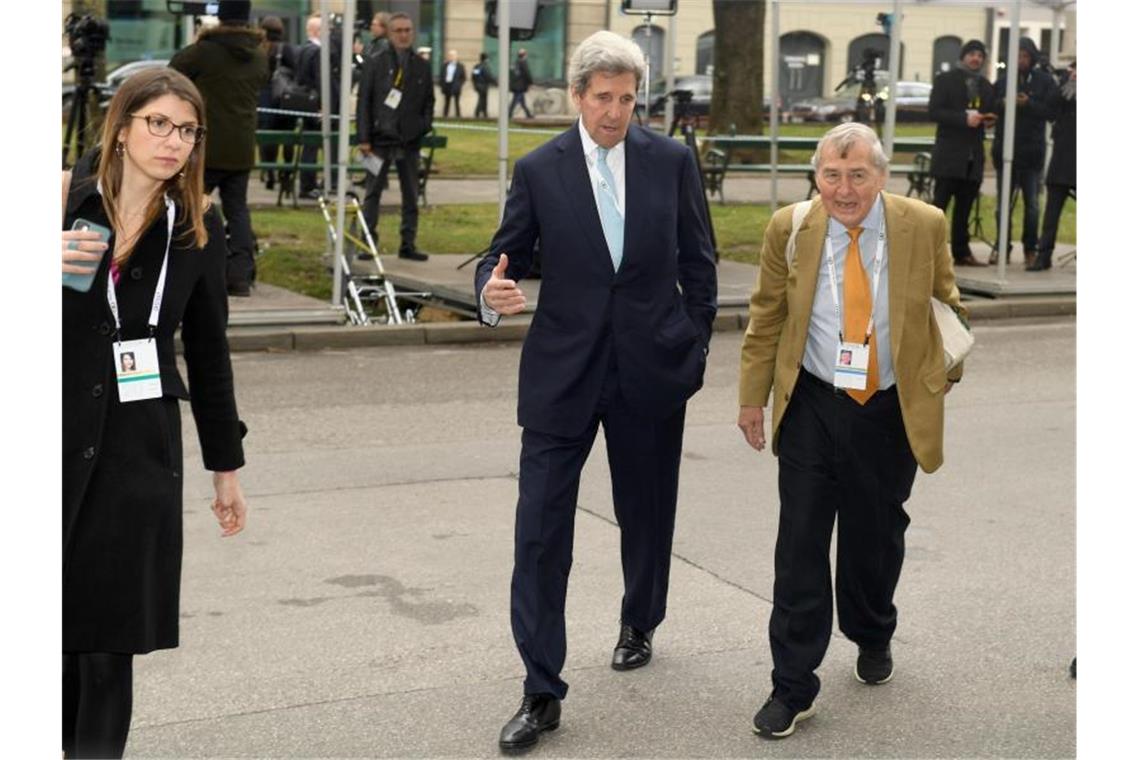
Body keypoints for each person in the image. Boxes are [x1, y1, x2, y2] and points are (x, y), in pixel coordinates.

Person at [476, 30, 717, 752]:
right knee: (541, 532)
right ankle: (540, 690)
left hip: (650, 368)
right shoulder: (540, 169)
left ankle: (640, 619)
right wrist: (491, 290)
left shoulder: (670, 160)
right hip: (562, 374)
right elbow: (505, 250)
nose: (615, 112)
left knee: (646, 512)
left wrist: (693, 345)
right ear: (577, 97)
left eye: (627, 98)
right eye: (602, 98)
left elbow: (699, 263)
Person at [737, 122, 966, 739]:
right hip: (814, 399)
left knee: (876, 534)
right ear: (817, 176)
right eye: (832, 176)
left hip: (889, 406)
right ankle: (793, 685)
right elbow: (766, 315)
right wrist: (752, 397)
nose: (844, 190)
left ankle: (871, 629)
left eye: (858, 175)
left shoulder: (924, 224)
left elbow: (947, 301)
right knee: (800, 542)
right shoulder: (790, 228)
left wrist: (947, 365)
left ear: (881, 176)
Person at [60, 67, 249, 759]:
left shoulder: (198, 228)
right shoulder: (60, 200)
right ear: (123, 126)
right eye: (159, 124)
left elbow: (210, 353)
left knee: (111, 646)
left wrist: (225, 466)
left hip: (138, 454)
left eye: (188, 131)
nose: (174, 142)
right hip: (52, 441)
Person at [169, 0, 269, 297]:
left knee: (190, 206)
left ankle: (187, 268)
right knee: (238, 209)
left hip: (205, 146)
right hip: (241, 145)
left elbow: (172, 72)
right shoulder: (260, 56)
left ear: (220, 16)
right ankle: (240, 275)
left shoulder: (204, 52)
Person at [356, 11, 434, 261]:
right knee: (372, 194)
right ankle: (367, 242)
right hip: (379, 140)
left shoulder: (421, 65)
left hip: (409, 141)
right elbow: (364, 102)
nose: (403, 35)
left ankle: (408, 244)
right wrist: (364, 138)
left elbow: (429, 102)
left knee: (411, 194)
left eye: (407, 30)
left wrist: (422, 126)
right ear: (389, 33)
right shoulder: (375, 62)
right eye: (398, 30)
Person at [928, 39, 996, 268]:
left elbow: (991, 109)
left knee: (964, 209)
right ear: (963, 56)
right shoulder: (946, 80)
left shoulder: (986, 85)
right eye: (972, 54)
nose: (976, 59)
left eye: (980, 55)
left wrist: (988, 120)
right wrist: (963, 118)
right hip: (949, 154)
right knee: (938, 208)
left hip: (972, 156)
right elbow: (935, 111)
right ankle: (928, 252)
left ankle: (961, 251)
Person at [991, 37, 1057, 268]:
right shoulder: (1002, 81)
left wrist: (1028, 103)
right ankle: (1002, 246)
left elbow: (1050, 111)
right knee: (1003, 205)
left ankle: (1031, 248)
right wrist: (1004, 103)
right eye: (1017, 56)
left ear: (1033, 57)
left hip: (1032, 153)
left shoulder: (1045, 81)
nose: (1020, 61)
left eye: (1025, 56)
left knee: (1032, 205)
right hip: (1005, 151)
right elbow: (991, 107)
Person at [1030, 59, 1075, 272]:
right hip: (1062, 158)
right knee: (1052, 211)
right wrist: (1067, 83)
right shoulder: (1064, 85)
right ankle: (1043, 254)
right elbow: (1049, 110)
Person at [296, 14, 342, 198]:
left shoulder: (303, 49)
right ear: (318, 31)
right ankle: (309, 185)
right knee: (314, 146)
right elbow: (322, 80)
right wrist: (325, 105)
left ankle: (308, 183)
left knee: (311, 145)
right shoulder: (317, 52)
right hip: (319, 106)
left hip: (310, 104)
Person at [256, 15, 297, 194]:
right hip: (285, 98)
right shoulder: (286, 48)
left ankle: (269, 171)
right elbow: (296, 71)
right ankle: (286, 174)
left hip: (264, 98)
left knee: (267, 137)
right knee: (288, 137)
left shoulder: (258, 49)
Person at [439, 49, 466, 118]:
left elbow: (463, 77)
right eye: (450, 55)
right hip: (447, 85)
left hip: (456, 86)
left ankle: (458, 116)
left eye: (453, 55)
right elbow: (441, 76)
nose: (451, 57)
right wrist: (442, 85)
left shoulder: (460, 66)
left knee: (457, 102)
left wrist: (459, 84)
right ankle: (445, 116)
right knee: (447, 102)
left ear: (456, 56)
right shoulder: (445, 65)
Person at [508, 48, 534, 119]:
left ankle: (528, 114)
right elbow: (527, 73)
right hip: (520, 85)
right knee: (516, 100)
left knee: (521, 101)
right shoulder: (523, 62)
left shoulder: (515, 63)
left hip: (515, 85)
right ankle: (508, 114)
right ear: (524, 55)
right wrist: (531, 82)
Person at [472, 52, 496, 119]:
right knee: (482, 100)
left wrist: (475, 84)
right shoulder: (485, 67)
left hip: (478, 85)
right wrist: (496, 83)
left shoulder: (476, 66)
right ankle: (477, 113)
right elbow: (488, 76)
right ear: (486, 59)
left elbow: (474, 76)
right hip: (484, 85)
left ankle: (484, 113)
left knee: (483, 99)